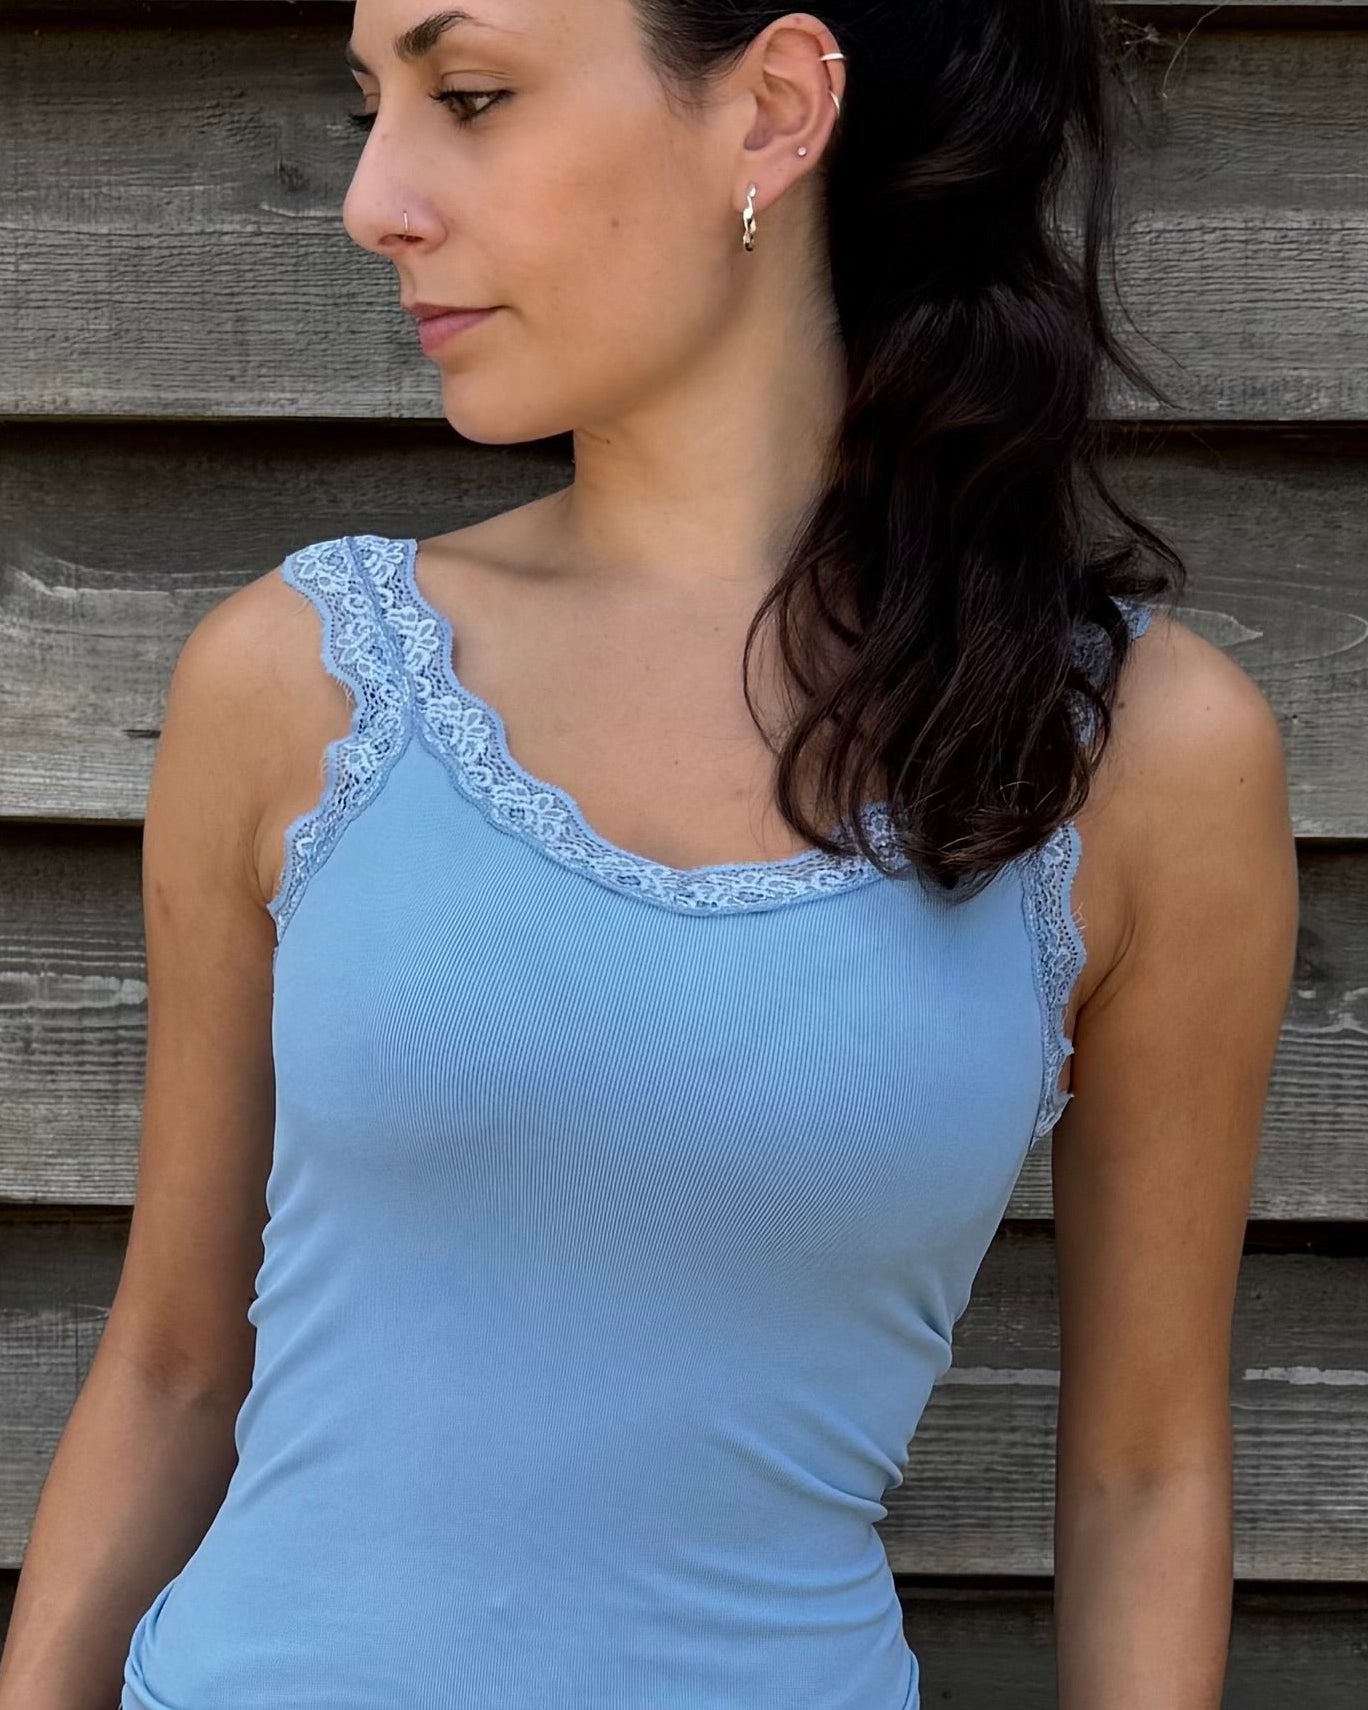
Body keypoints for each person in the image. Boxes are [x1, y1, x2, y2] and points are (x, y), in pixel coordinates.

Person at [0, 4, 1298, 1709]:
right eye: (371, 107)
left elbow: (1144, 1473)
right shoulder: (301, 679)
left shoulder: (1135, 758)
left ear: (771, 111)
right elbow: (175, 1364)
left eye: (470, 96)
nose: (374, 201)